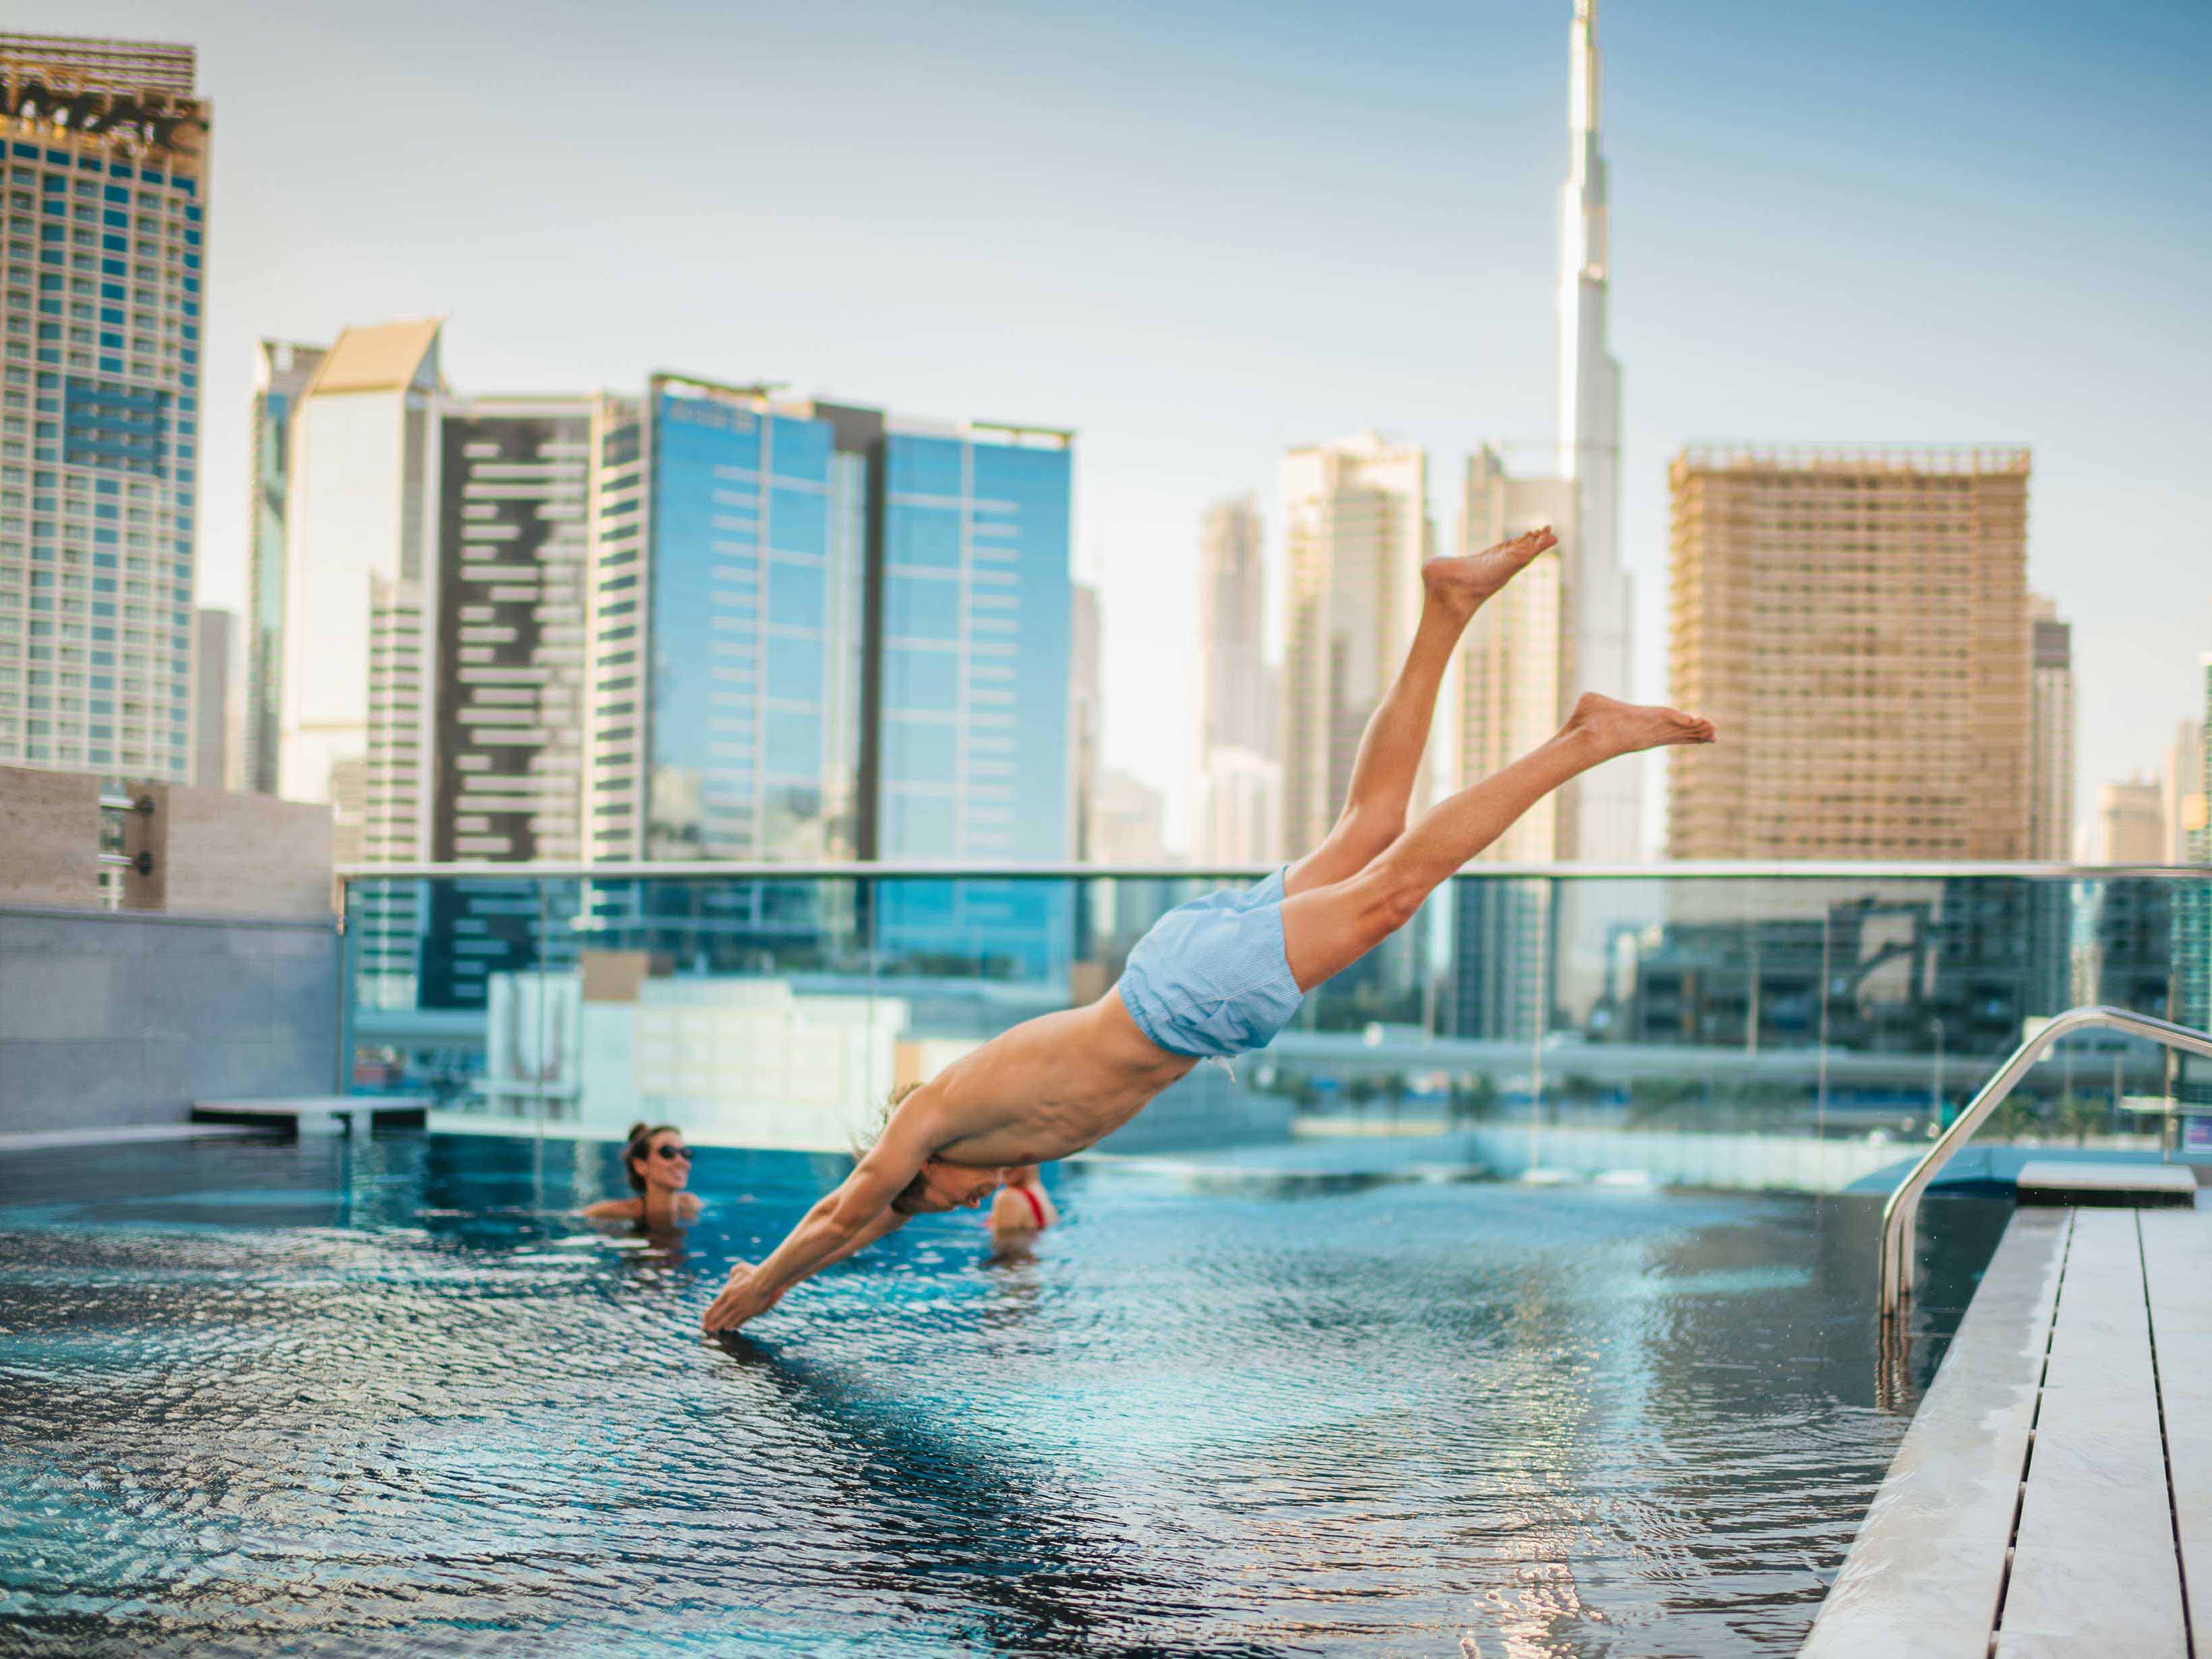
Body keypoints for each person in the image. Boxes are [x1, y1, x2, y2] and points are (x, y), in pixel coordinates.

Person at [703, 527, 1713, 1334]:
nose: (966, 1206)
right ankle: (1447, 606)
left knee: (1397, 887)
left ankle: (1585, 738)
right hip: (1183, 973)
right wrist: (790, 1274)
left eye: (941, 1201)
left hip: (1187, 995)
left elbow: (850, 1210)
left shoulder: (925, 1119)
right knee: (1369, 833)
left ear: (920, 1165)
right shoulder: (970, 1135)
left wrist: (762, 1290)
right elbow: (862, 1232)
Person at [585, 1122, 703, 1228]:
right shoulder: (611, 1212)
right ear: (641, 1166)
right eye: (668, 1152)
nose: (682, 1162)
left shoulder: (692, 1205)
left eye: (685, 1153)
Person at [987, 1165, 1058, 1246]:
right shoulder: (1040, 1191)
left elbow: (1007, 1251)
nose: (1006, 1166)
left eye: (1013, 1154)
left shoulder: (1009, 1198)